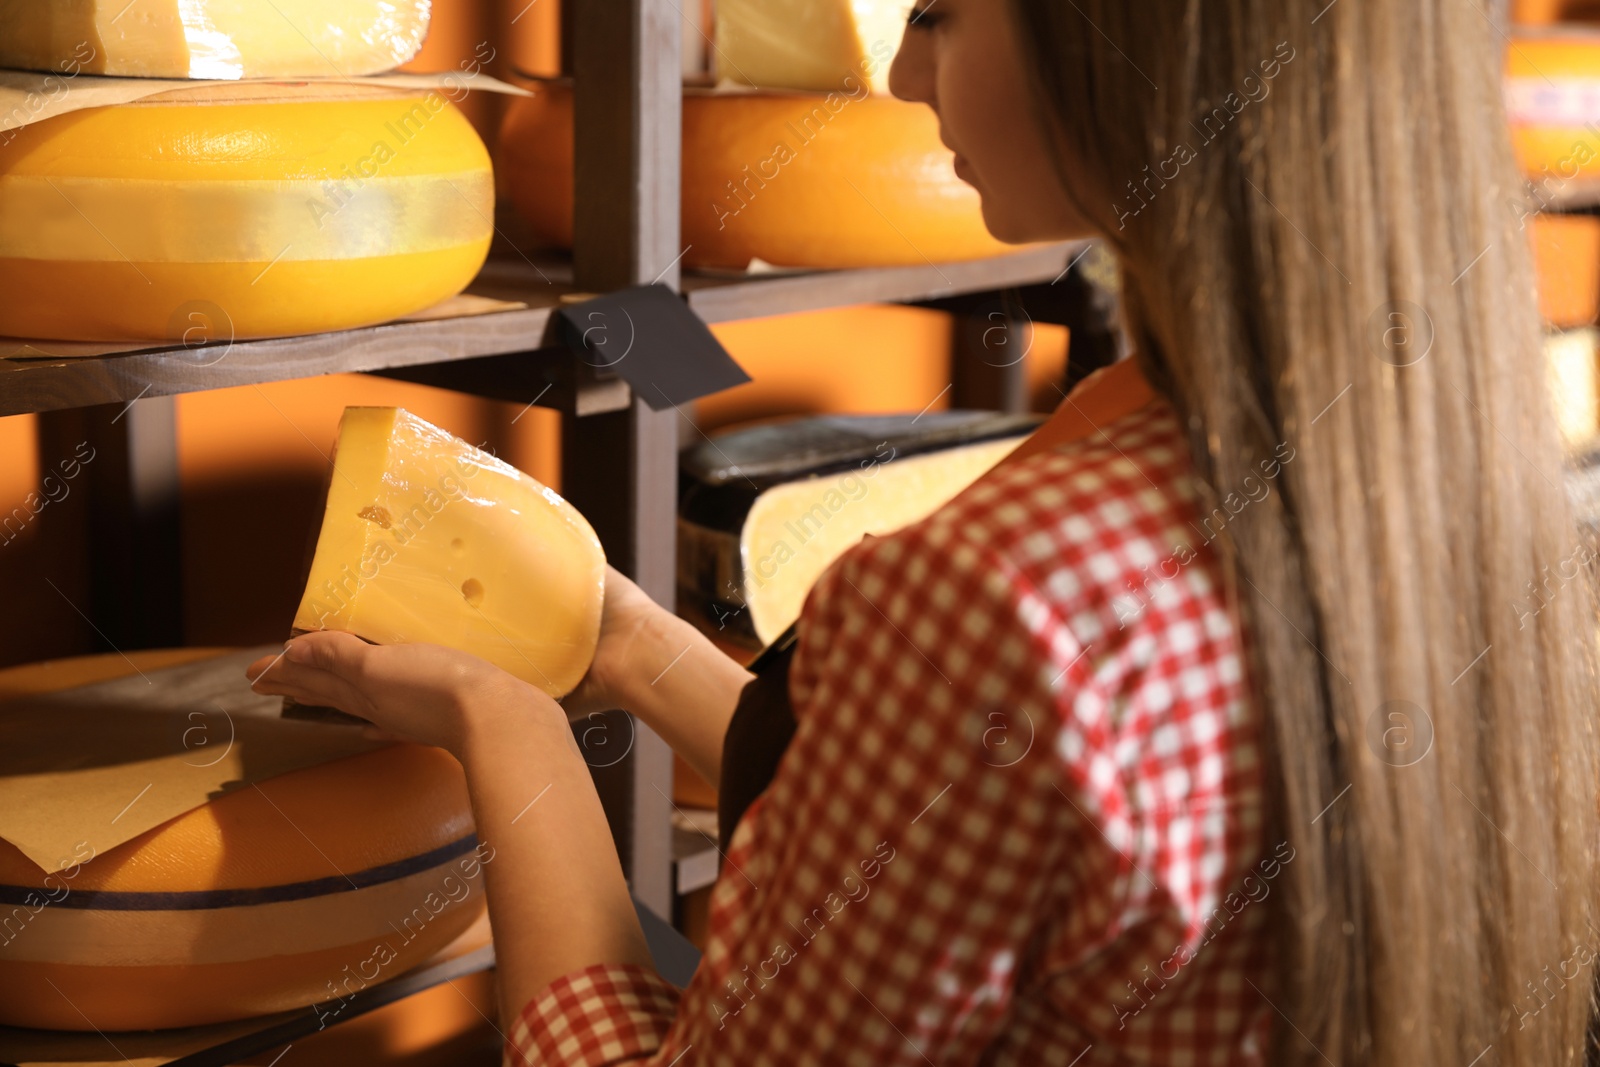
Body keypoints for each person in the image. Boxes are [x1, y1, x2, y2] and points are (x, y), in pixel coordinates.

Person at [248, 0, 1600, 1062]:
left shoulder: (1004, 589)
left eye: (943, 7)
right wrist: (629, 648)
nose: (898, 75)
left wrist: (510, 729)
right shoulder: (1454, 464)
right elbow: (1005, 840)